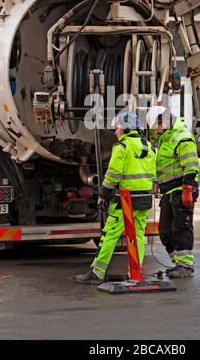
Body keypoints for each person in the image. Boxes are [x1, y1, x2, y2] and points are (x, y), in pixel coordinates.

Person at [75, 111, 156, 284]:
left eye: (116, 128)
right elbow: (153, 174)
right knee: (138, 235)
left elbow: (112, 175)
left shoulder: (122, 147)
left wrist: (103, 195)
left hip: (125, 200)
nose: (115, 132)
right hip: (145, 199)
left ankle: (97, 272)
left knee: (110, 234)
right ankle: (134, 272)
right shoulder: (148, 147)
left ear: (124, 128)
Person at [146, 105, 199, 278]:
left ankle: (185, 265)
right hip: (169, 191)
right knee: (165, 230)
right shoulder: (166, 138)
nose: (156, 131)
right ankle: (177, 263)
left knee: (181, 228)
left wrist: (187, 189)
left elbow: (191, 166)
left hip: (182, 189)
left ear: (164, 122)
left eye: (157, 127)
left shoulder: (182, 137)